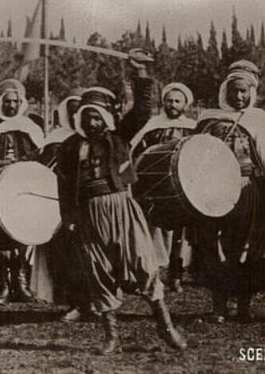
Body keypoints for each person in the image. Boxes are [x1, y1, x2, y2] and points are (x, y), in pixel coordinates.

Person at [54, 49, 187, 354]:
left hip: (121, 207)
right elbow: (62, 184)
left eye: (97, 117)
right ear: (79, 118)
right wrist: (69, 217)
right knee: (97, 272)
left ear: (106, 118)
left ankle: (165, 326)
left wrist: (140, 74)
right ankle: (111, 336)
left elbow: (141, 112)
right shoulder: (69, 147)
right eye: (86, 116)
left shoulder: (118, 138)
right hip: (88, 214)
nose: (92, 122)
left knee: (144, 263)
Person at [194, 60, 265, 322]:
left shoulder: (259, 121)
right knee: (217, 247)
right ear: (225, 90)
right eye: (234, 90)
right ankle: (219, 305)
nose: (238, 96)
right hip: (215, 193)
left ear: (252, 93)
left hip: (249, 193)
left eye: (244, 91)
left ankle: (244, 305)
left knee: (247, 248)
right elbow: (194, 154)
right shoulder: (208, 119)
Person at [0, 78, 46, 305]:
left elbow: (40, 155)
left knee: (24, 233)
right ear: (0, 103)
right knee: (1, 233)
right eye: (7, 102)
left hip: (23, 188)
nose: (11, 106)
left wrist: (20, 162)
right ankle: (4, 284)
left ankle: (21, 282)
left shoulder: (31, 127)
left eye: (15, 102)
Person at [31, 92, 96, 322]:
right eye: (72, 110)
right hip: (62, 206)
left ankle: (98, 303)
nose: (76, 114)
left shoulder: (94, 138)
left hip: (93, 206)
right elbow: (43, 170)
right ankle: (77, 302)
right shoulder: (57, 139)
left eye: (81, 110)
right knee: (69, 256)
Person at [130, 82, 197, 292]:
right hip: (153, 186)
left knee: (179, 233)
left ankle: (175, 274)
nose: (172, 104)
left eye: (177, 101)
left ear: (185, 104)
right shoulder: (152, 125)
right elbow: (137, 151)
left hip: (181, 186)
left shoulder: (191, 126)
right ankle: (151, 273)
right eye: (169, 100)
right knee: (151, 230)